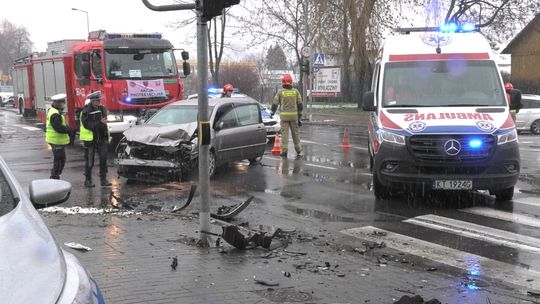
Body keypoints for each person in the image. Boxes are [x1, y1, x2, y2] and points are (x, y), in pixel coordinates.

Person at [80, 91, 112, 187]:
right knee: (90, 161)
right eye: (97, 100)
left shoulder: (102, 109)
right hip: (90, 140)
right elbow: (87, 125)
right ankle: (88, 180)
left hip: (102, 138)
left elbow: (105, 121)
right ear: (92, 101)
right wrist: (100, 123)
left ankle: (103, 179)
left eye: (99, 100)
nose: (99, 102)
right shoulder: (86, 111)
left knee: (103, 158)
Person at [270, 74, 303, 158]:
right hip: (294, 117)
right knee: (295, 133)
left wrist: (272, 112)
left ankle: (284, 151)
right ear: (291, 82)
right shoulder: (296, 92)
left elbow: (275, 103)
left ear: (283, 83)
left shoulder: (280, 92)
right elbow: (300, 104)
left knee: (285, 134)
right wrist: (299, 116)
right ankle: (298, 149)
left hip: (284, 118)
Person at [46, 93, 76, 179]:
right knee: (59, 160)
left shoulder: (54, 111)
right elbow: (58, 128)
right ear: (58, 103)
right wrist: (69, 131)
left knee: (60, 159)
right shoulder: (55, 114)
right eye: (63, 102)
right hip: (56, 140)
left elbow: (62, 125)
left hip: (56, 140)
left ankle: (55, 175)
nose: (64, 104)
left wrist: (69, 129)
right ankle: (54, 177)